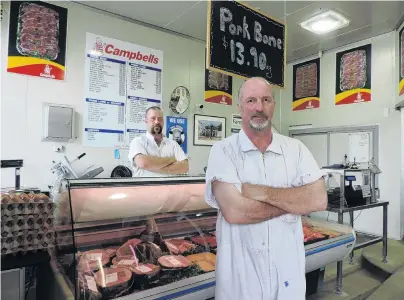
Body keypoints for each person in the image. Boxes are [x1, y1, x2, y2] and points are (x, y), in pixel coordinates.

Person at [205, 77, 328, 300]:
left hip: (287, 278)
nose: (259, 107)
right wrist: (295, 203)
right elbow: (236, 212)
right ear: (239, 106)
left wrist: (261, 192)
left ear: (273, 105)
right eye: (251, 100)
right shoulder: (222, 151)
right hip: (240, 282)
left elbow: (318, 200)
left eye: (266, 100)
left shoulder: (296, 149)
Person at [128, 106, 189, 177]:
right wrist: (171, 159)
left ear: (163, 121)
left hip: (169, 187)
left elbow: (185, 167)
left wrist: (151, 166)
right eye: (153, 118)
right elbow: (142, 163)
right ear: (146, 121)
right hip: (145, 187)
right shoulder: (138, 141)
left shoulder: (173, 144)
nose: (157, 122)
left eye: (160, 119)